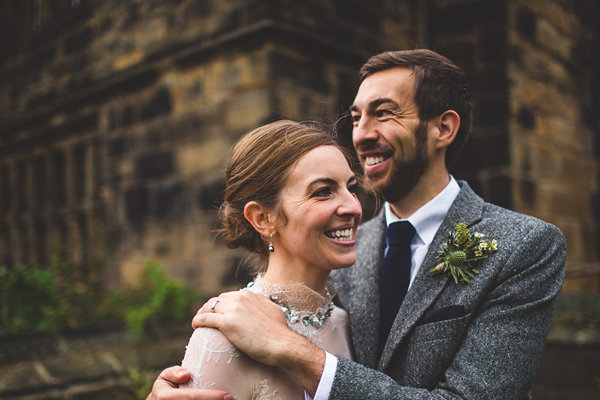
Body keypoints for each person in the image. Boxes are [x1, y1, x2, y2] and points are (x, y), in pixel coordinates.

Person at [148, 50, 566, 399]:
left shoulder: (524, 246)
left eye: (384, 113)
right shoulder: (341, 253)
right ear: (263, 219)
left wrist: (290, 349)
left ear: (443, 127)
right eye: (355, 117)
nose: (361, 134)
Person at [173, 120, 362, 399]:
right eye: (323, 191)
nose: (354, 207)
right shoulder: (221, 338)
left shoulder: (346, 324)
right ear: (263, 218)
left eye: (351, 187)